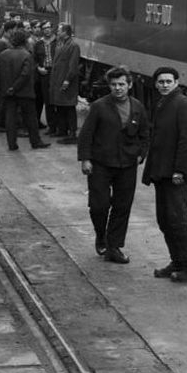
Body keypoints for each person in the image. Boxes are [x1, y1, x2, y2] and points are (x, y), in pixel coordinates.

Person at [77, 66, 150, 263]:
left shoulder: (138, 107)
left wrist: (141, 155)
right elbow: (86, 134)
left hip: (127, 164)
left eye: (122, 84)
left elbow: (145, 134)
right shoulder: (99, 106)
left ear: (129, 85)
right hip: (100, 164)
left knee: (122, 206)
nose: (118, 88)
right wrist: (85, 159)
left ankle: (114, 246)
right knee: (98, 206)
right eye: (114, 85)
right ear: (109, 86)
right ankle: (101, 236)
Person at [142, 66, 187, 282]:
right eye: (161, 81)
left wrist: (180, 170)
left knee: (177, 219)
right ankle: (178, 261)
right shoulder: (164, 103)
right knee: (165, 219)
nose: (164, 85)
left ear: (177, 83)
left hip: (176, 174)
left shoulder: (184, 105)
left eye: (168, 81)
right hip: (163, 172)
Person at [0, 28, 49, 150]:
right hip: (25, 92)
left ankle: (12, 144)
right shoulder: (27, 55)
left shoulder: (3, 55)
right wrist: (15, 87)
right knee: (31, 118)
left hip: (8, 93)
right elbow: (26, 74)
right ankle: (35, 141)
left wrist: (4, 88)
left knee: (10, 118)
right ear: (24, 41)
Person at [48, 23, 81, 142]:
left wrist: (67, 80)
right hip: (58, 80)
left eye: (59, 31)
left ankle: (72, 132)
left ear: (65, 32)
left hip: (66, 81)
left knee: (69, 107)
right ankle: (62, 130)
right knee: (60, 106)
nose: (57, 32)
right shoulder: (60, 44)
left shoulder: (73, 46)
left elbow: (73, 66)